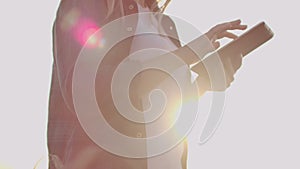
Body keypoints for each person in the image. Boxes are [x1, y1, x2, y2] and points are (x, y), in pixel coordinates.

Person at [48, 0, 247, 168]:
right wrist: (186, 55)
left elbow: (159, 106)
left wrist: (204, 84)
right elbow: (84, 89)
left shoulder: (163, 23)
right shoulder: (89, 4)